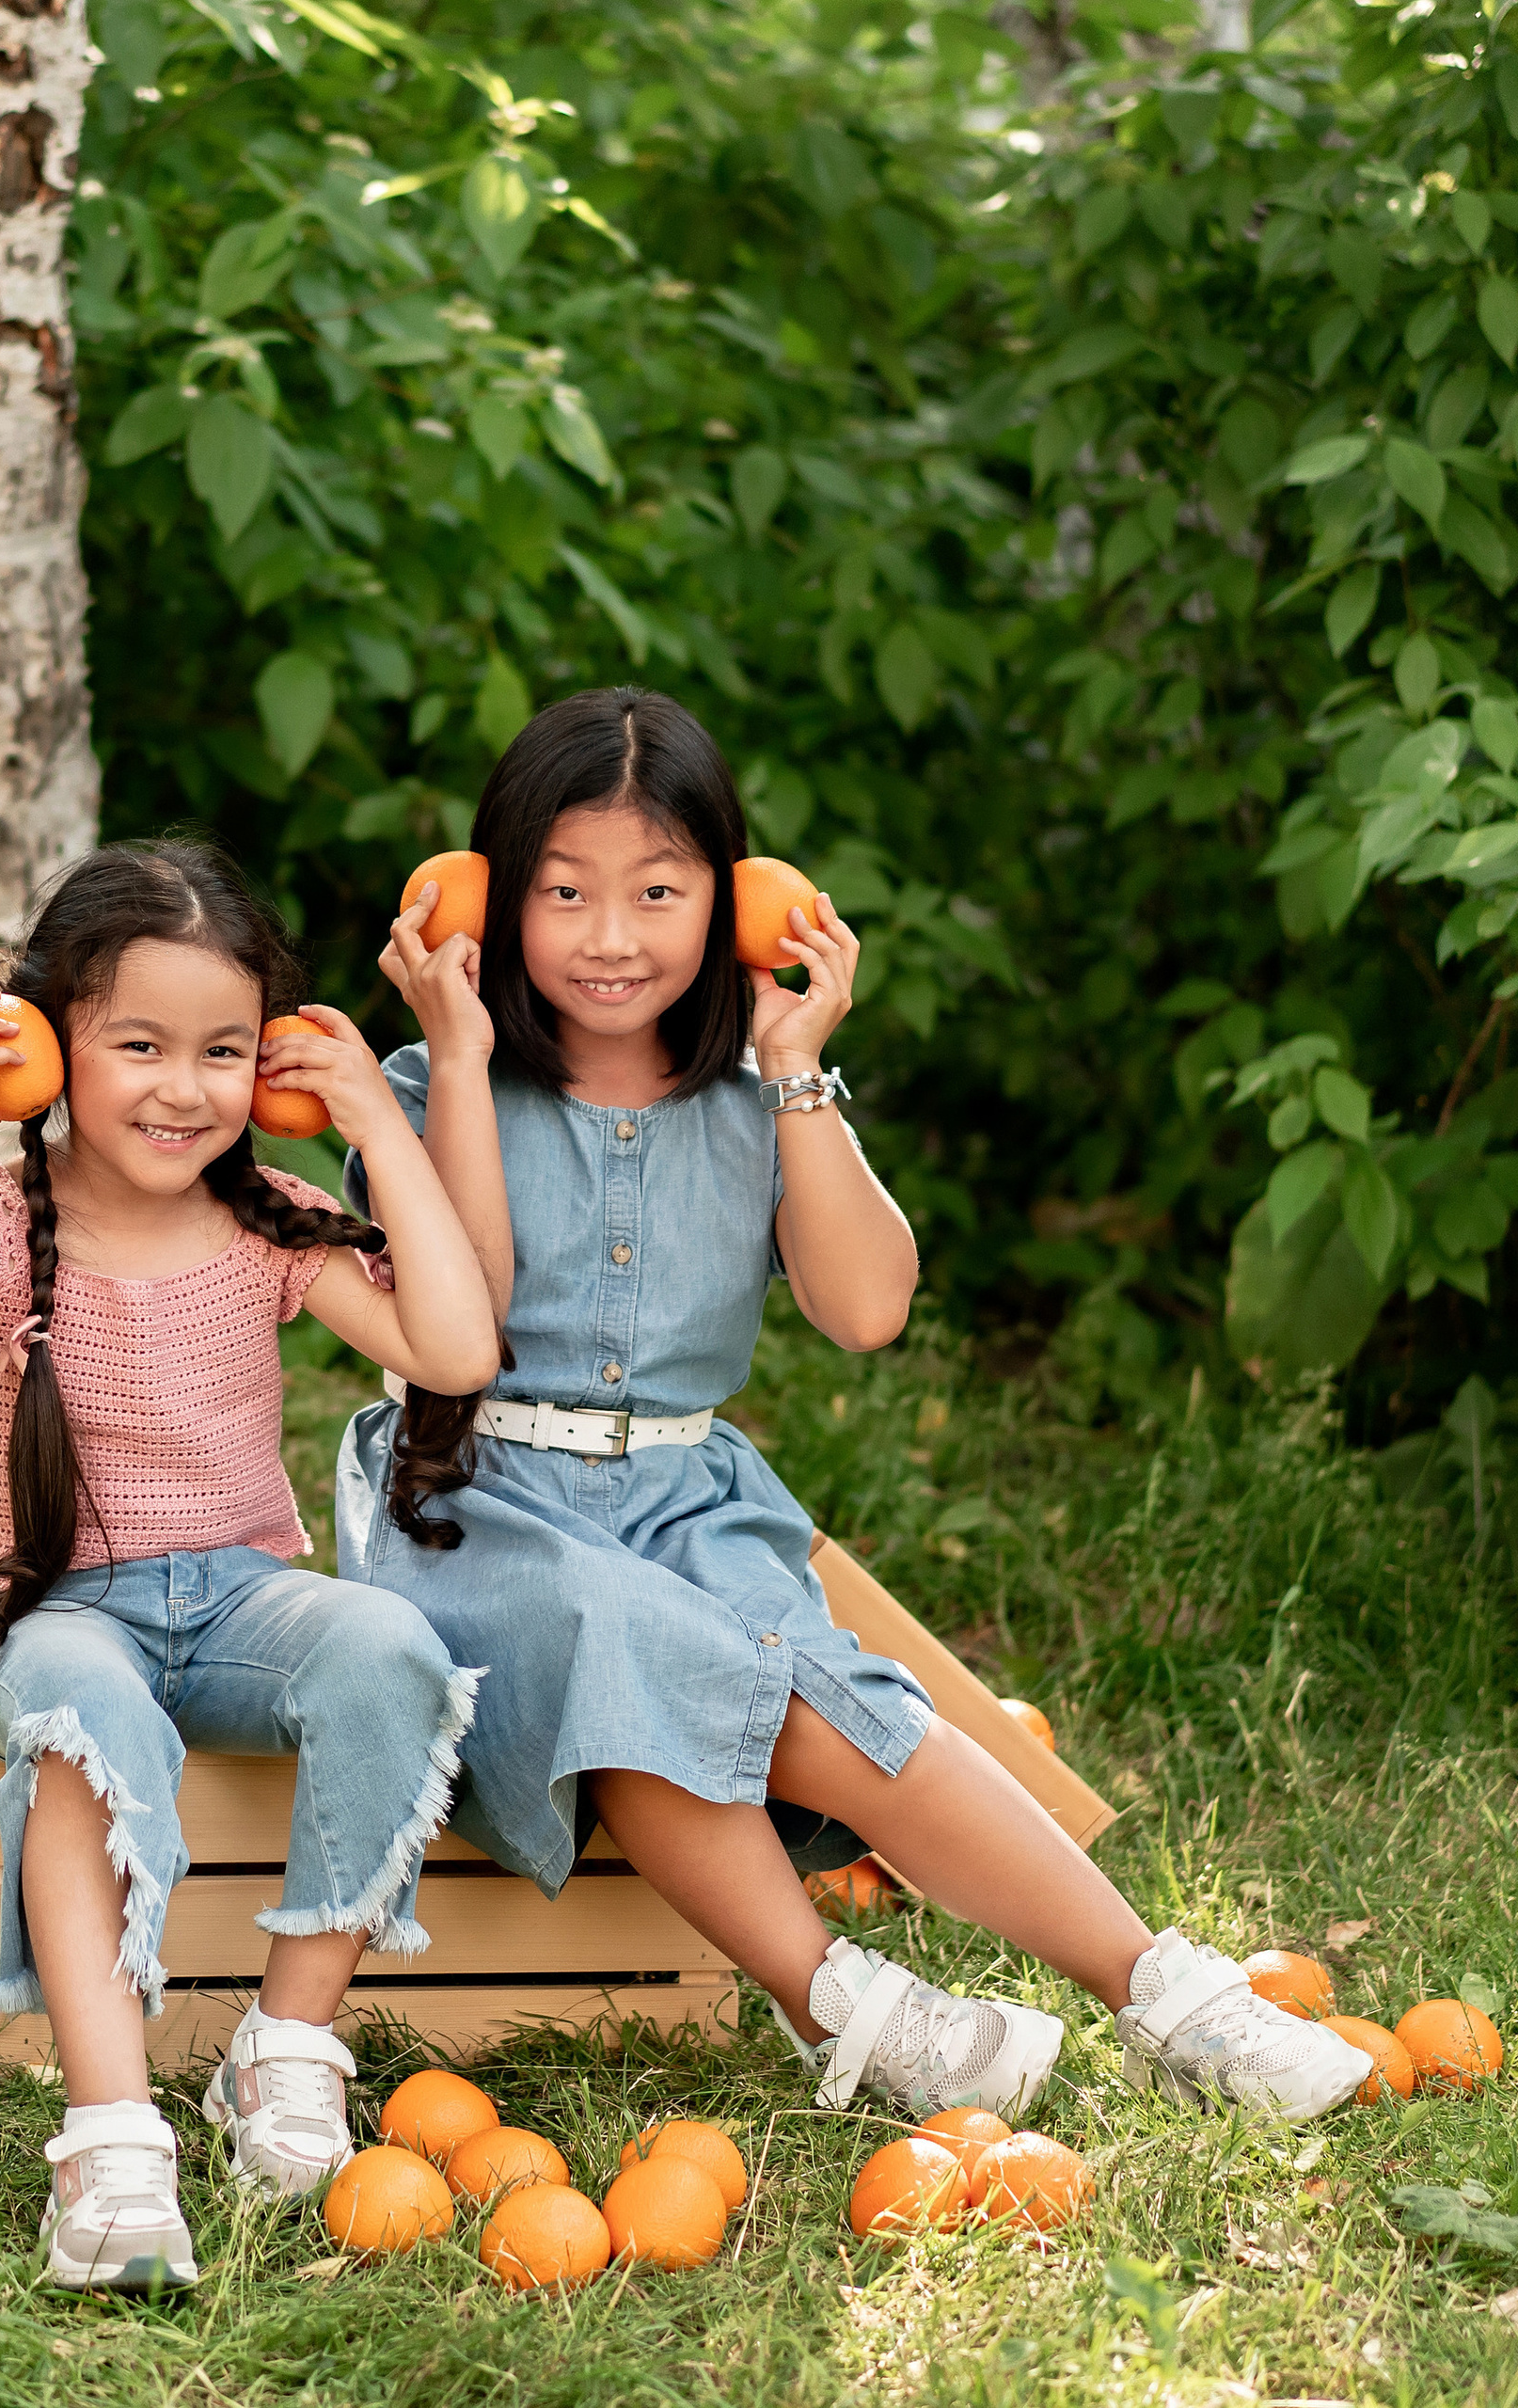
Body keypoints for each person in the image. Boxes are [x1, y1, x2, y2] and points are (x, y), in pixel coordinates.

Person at [334, 689, 1373, 2126]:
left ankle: (1165, 1992)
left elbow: (869, 1307)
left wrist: (797, 1063)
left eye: (658, 891)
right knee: (618, 1646)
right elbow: (469, 1326)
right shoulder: (419, 1088)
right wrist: (453, 1056)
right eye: (564, 893)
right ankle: (849, 2003)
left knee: (843, 1700)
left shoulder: (757, 1102)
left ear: (735, 902)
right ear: (493, 901)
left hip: (686, 1507)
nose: (612, 936)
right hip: (480, 1510)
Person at [0, 841, 501, 2291]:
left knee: (391, 1655)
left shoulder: (268, 1220)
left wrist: (381, 1118)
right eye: (140, 1045)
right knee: (77, 1719)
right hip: (57, 1615)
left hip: (240, 1599)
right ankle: (112, 2136)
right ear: (50, 1041)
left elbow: (455, 1349)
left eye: (225, 1051)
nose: (186, 1088)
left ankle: (286, 2046)